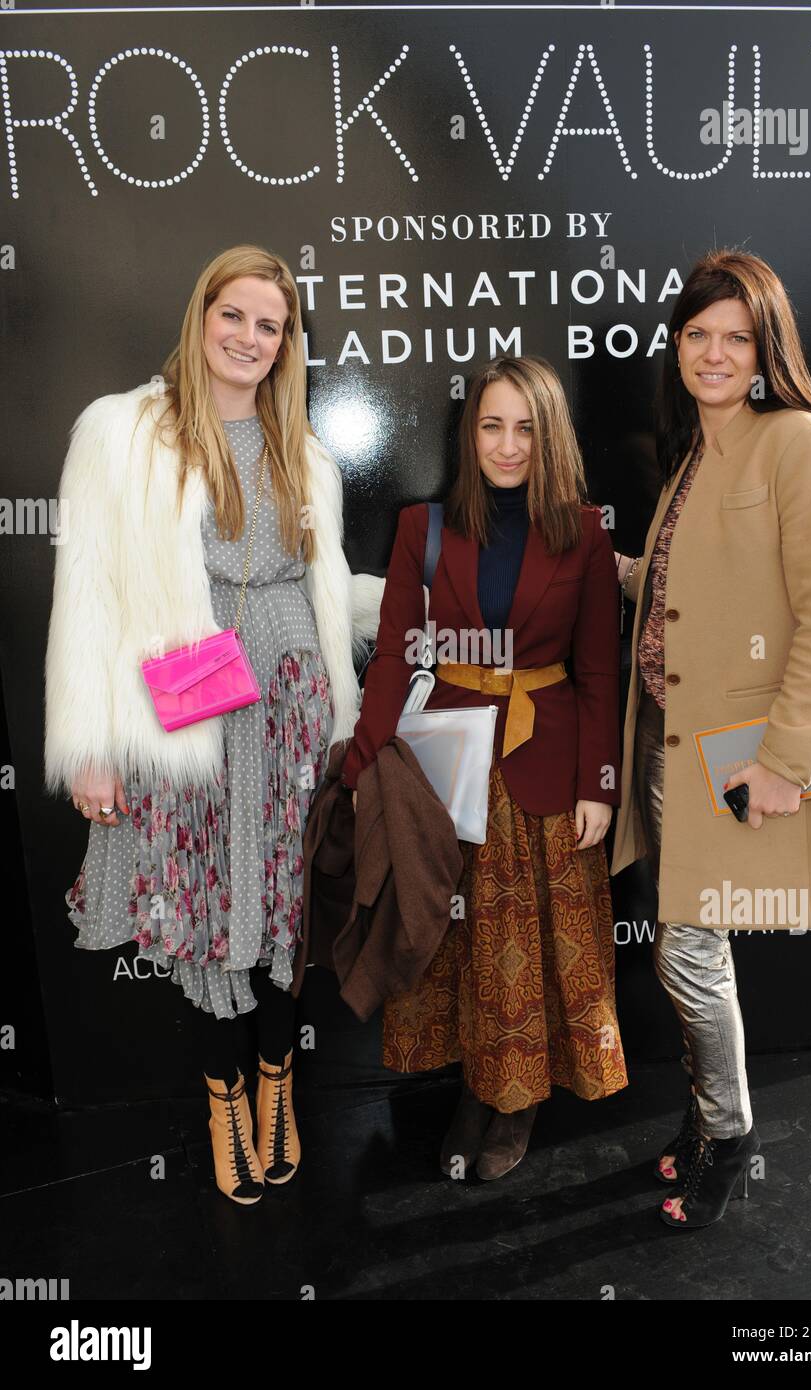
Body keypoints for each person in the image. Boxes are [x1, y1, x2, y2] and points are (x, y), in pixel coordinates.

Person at [44, 244, 383, 1206]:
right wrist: (92, 747)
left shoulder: (303, 454)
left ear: (286, 345)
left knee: (281, 917)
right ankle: (223, 1100)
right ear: (200, 319)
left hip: (290, 719)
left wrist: (404, 606)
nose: (248, 337)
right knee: (202, 923)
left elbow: (318, 590)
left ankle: (276, 1082)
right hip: (186, 728)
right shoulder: (123, 434)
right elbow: (90, 596)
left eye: (269, 325)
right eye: (232, 316)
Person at [612, 249, 811, 1228]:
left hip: (731, 749)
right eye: (696, 335)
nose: (712, 354)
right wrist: (619, 567)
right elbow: (691, 589)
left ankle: (729, 1138)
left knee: (686, 947)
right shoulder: (691, 453)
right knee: (691, 943)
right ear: (675, 344)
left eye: (734, 338)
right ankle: (705, 1119)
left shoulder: (796, 441)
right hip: (664, 739)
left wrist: (780, 760)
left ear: (764, 351)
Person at [341, 355, 628, 1181]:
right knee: (460, 942)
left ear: (550, 437)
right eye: (492, 426)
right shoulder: (422, 529)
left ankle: (516, 1101)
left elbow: (599, 673)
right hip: (449, 770)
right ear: (470, 434)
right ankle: (476, 1085)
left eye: (526, 429)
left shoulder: (583, 530)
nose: (508, 446)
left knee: (528, 949)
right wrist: (363, 761)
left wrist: (596, 786)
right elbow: (394, 654)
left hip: (546, 765)